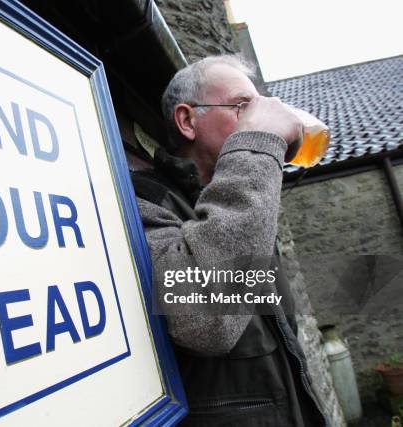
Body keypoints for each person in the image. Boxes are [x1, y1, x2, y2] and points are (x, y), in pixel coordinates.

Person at [131, 55, 328, 426]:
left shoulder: (249, 206)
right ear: (188, 121)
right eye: (243, 106)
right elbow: (208, 319)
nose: (260, 117)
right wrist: (256, 145)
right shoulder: (142, 201)